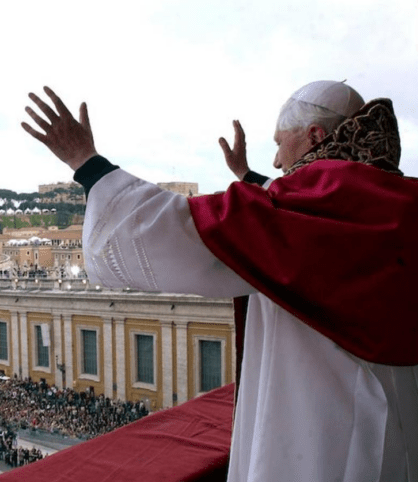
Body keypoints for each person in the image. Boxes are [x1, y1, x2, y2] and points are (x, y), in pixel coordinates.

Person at [22, 83, 418, 481]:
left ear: (316, 136)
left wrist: (86, 163)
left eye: (281, 144)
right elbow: (303, 212)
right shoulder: (397, 199)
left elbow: (173, 230)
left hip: (324, 435)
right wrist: (247, 175)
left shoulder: (300, 211)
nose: (278, 161)